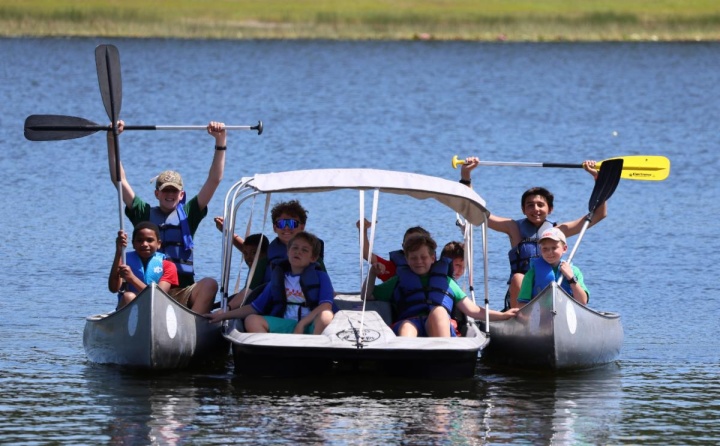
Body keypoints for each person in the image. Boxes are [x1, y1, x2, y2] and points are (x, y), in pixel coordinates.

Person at [107, 120, 227, 314]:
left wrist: (221, 140)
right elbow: (119, 180)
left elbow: (215, 179)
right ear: (157, 194)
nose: (169, 194)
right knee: (128, 296)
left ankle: (193, 326)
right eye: (165, 190)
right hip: (144, 288)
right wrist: (112, 139)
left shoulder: (189, 213)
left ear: (181, 195)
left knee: (210, 285)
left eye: (174, 191)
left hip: (181, 290)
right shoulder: (143, 213)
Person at [460, 156, 600, 309]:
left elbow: (598, 214)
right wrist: (466, 176)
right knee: (519, 278)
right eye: (530, 205)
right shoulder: (513, 228)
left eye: (541, 205)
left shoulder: (559, 231)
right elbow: (476, 213)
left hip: (550, 290)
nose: (536, 209)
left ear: (550, 209)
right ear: (523, 209)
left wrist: (597, 177)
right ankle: (516, 320)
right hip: (521, 296)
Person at [370, 234, 517, 338]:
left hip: (437, 324)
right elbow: (367, 295)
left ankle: (443, 355)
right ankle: (408, 358)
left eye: (423, 257)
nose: (418, 261)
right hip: (410, 322)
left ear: (433, 258)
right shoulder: (398, 280)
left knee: (439, 311)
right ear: (407, 260)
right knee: (406, 326)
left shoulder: (447, 282)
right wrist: (372, 274)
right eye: (413, 258)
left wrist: (503, 315)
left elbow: (473, 310)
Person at [207, 231, 335, 335]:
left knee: (326, 316)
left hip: (310, 325)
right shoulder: (278, 278)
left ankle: (312, 349)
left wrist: (302, 324)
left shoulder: (321, 277)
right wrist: (223, 315)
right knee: (251, 320)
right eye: (294, 248)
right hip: (286, 325)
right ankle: (271, 350)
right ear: (288, 252)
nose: (298, 252)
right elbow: (254, 307)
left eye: (304, 250)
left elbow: (326, 306)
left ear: (313, 258)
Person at [108, 221, 178, 310]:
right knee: (128, 296)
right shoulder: (124, 261)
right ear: (133, 244)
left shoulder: (169, 266)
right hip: (129, 308)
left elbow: (157, 296)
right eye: (139, 240)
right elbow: (113, 288)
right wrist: (118, 253)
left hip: (156, 308)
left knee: (130, 296)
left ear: (159, 244)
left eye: (150, 240)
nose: (144, 244)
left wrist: (132, 279)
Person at [517, 227, 588, 306]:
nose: (549, 252)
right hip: (540, 314)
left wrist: (571, 278)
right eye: (545, 249)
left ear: (564, 249)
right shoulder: (532, 273)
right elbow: (522, 304)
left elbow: (583, 301)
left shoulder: (574, 271)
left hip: (567, 313)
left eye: (554, 248)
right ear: (540, 250)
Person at [213, 216, 269, 310]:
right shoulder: (255, 262)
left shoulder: (262, 264)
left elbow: (247, 294)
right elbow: (244, 247)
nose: (248, 257)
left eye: (254, 253)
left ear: (265, 253)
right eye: (245, 254)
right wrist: (226, 231)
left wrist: (224, 309)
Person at [356, 219, 430, 282]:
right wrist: (363, 230)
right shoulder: (393, 269)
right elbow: (367, 254)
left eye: (418, 242)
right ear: (403, 247)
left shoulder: (438, 269)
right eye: (409, 244)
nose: (414, 247)